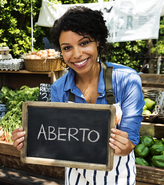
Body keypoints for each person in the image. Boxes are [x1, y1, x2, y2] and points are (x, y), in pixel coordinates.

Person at [11, 6, 144, 185]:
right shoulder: (59, 88)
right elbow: (59, 140)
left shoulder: (127, 80)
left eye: (84, 43)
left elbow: (130, 142)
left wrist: (124, 145)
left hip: (117, 177)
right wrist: (30, 141)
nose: (77, 54)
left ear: (97, 40)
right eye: (67, 48)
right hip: (76, 177)